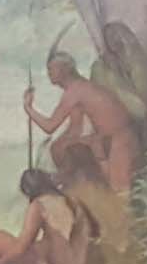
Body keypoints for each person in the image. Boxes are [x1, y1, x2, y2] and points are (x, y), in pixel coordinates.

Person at [24, 51, 139, 193]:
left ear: (64, 69)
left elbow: (50, 127)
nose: (49, 73)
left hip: (120, 139)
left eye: (51, 69)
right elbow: (75, 129)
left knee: (119, 192)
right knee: (60, 148)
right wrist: (60, 151)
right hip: (109, 139)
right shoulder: (78, 88)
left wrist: (28, 108)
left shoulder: (75, 90)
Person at [0, 168, 102, 264]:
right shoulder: (74, 200)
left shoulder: (40, 204)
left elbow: (21, 248)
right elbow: (95, 232)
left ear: (28, 190)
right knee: (37, 248)